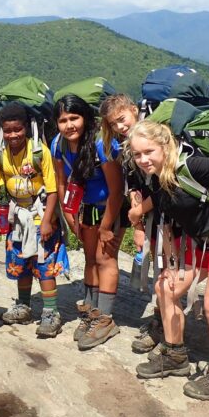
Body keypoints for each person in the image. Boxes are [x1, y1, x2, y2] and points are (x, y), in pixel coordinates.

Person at [127, 120, 209, 400]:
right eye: (137, 155)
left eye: (148, 151)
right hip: (202, 244)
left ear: (165, 146)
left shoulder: (191, 166)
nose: (143, 159)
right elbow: (166, 214)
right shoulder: (158, 177)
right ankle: (175, 356)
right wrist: (139, 217)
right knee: (165, 289)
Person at [51, 94, 124, 350]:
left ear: (85, 118)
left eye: (74, 118)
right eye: (63, 120)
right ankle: (92, 311)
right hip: (85, 209)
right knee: (91, 258)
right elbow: (61, 182)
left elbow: (117, 190)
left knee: (105, 259)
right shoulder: (58, 145)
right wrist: (70, 215)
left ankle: (105, 318)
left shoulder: (101, 144)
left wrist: (106, 226)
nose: (69, 125)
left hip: (109, 209)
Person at [0, 103, 66, 337]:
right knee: (20, 262)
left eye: (17, 129)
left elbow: (52, 189)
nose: (12, 135)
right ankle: (24, 306)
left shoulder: (39, 150)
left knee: (44, 263)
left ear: (26, 128)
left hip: (40, 212)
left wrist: (48, 220)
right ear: (1, 130)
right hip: (16, 216)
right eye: (7, 130)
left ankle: (51, 313)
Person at [99, 93, 161, 354]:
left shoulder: (157, 138)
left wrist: (138, 216)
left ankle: (163, 328)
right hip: (154, 216)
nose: (120, 127)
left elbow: (166, 186)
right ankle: (163, 325)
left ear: (135, 110)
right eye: (114, 124)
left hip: (169, 216)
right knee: (161, 273)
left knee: (165, 274)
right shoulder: (127, 149)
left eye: (122, 119)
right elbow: (134, 186)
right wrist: (138, 225)